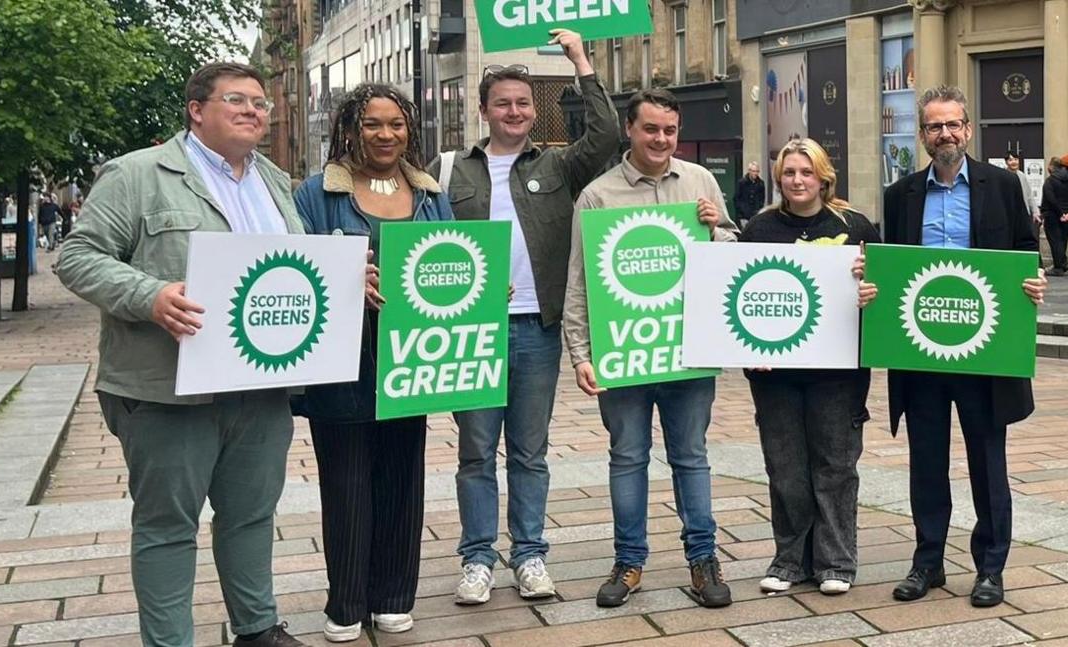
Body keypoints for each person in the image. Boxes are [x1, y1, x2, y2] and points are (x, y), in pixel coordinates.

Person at [57, 62, 306, 647]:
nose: (254, 111)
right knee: (168, 527)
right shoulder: (138, 174)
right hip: (166, 387)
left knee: (251, 516)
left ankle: (258, 629)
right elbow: (78, 257)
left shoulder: (275, 179)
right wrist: (149, 296)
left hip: (261, 386)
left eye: (260, 104)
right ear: (197, 110)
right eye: (237, 100)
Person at [426, 28, 619, 604]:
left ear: (535, 111)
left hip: (538, 329)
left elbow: (607, 133)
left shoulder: (559, 166)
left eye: (523, 103)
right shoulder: (448, 170)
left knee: (530, 454)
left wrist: (581, 60)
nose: (514, 111)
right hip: (474, 331)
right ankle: (477, 559)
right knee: (476, 451)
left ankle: (530, 555)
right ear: (483, 110)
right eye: (503, 103)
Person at [562, 88, 739, 608]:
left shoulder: (701, 181)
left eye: (669, 130)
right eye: (650, 129)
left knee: (692, 458)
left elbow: (728, 251)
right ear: (630, 130)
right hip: (625, 351)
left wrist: (716, 229)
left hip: (687, 349)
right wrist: (580, 354)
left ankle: (703, 560)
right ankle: (629, 561)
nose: (661, 139)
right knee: (627, 457)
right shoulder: (597, 195)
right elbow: (579, 282)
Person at [292, 83, 453, 643]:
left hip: (413, 357)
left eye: (397, 124)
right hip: (343, 358)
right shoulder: (316, 194)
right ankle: (346, 603)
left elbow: (452, 254)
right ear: (350, 129)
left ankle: (392, 596)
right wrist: (343, 283)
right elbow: (297, 266)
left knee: (403, 478)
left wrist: (481, 288)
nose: (386, 135)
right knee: (346, 481)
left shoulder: (431, 194)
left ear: (410, 129)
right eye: (372, 124)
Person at [876, 85, 1046, 608]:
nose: (944, 134)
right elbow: (891, 266)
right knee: (925, 461)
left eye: (953, 125)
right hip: (922, 350)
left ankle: (990, 568)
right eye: (934, 126)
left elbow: (1023, 250)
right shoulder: (899, 193)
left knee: (987, 462)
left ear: (968, 130)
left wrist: (1033, 280)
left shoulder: (1002, 184)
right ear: (922, 134)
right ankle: (927, 562)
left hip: (984, 351)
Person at [739, 138, 880, 596]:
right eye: (789, 173)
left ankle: (837, 561)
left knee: (835, 467)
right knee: (785, 468)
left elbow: (884, 290)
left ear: (823, 177)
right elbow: (741, 297)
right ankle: (790, 560)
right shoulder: (759, 229)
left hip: (838, 374)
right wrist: (746, 355)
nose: (797, 181)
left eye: (806, 172)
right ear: (778, 179)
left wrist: (869, 291)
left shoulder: (855, 226)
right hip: (775, 375)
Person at [734, 161, 766, 229]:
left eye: (757, 171)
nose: (755, 173)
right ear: (749, 171)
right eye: (753, 171)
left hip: (755, 214)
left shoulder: (761, 184)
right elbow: (736, 198)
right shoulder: (742, 183)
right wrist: (741, 211)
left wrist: (759, 209)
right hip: (743, 215)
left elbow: (762, 199)